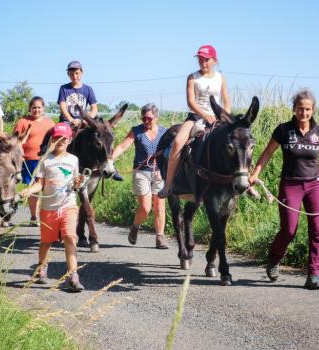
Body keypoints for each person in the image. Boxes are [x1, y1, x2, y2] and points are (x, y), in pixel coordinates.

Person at [248, 88, 319, 290]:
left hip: (315, 184)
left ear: (313, 110)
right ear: (294, 109)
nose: (304, 113)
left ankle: (314, 273)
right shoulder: (284, 130)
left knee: (318, 230)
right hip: (290, 184)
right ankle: (274, 259)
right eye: (300, 109)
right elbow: (267, 153)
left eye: (308, 109)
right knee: (289, 229)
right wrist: (255, 174)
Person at [158, 45, 231, 198]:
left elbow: (226, 101)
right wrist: (204, 115)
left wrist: (226, 119)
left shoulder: (221, 78)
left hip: (217, 118)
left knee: (237, 142)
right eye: (200, 60)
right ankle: (169, 184)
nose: (202, 63)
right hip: (196, 117)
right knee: (178, 142)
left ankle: (245, 181)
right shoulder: (193, 77)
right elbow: (191, 102)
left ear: (214, 60)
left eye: (206, 60)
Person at [19, 122, 85, 292]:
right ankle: (41, 269)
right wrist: (28, 190)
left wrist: (79, 182)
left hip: (68, 205)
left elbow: (76, 183)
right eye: (57, 138)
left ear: (69, 140)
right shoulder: (45, 161)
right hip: (49, 209)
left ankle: (73, 276)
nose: (60, 141)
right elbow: (39, 184)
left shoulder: (73, 160)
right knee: (46, 242)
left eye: (64, 138)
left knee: (70, 237)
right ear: (51, 140)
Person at [112, 103, 169, 249]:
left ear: (156, 117)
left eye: (149, 118)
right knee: (145, 207)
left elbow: (170, 151)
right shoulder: (136, 131)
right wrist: (110, 159)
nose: (146, 121)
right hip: (141, 172)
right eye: (143, 118)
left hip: (159, 172)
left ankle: (160, 237)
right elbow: (123, 146)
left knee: (159, 206)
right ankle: (135, 227)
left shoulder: (164, 132)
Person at [13, 96, 55, 226]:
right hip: (29, 160)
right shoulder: (23, 121)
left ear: (43, 108)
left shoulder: (50, 122)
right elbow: (15, 140)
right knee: (34, 190)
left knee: (48, 189)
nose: (36, 110)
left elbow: (55, 140)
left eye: (39, 107)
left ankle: (48, 218)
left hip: (46, 159)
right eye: (34, 107)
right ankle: (33, 217)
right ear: (30, 108)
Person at [57, 60, 98, 126]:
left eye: (77, 73)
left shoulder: (88, 89)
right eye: (71, 74)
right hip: (66, 122)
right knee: (60, 134)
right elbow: (62, 107)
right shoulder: (63, 88)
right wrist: (71, 120)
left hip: (83, 123)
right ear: (68, 74)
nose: (74, 76)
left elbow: (94, 108)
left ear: (82, 73)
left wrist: (88, 120)